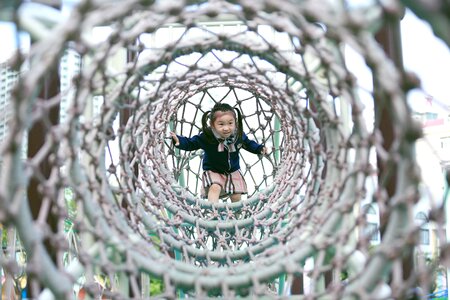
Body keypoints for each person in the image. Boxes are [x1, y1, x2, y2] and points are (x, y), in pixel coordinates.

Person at [170, 103, 267, 203]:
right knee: (215, 188)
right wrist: (179, 141)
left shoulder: (238, 135)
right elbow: (192, 143)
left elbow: (248, 144)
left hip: (232, 171)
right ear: (212, 125)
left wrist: (259, 148)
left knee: (236, 195)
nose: (226, 128)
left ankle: (237, 215)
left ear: (235, 123)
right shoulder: (207, 136)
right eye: (221, 124)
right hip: (213, 170)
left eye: (230, 123)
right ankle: (213, 212)